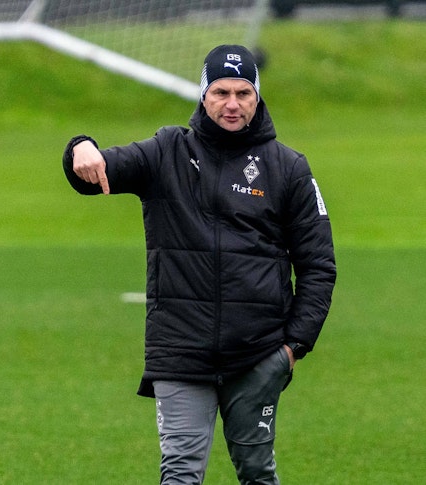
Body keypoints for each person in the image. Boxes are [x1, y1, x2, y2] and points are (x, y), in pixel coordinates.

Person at [62, 45, 336, 484]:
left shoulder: (288, 168)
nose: (232, 104)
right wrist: (80, 148)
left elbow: (319, 264)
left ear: (257, 96)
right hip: (180, 352)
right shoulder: (166, 151)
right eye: (221, 92)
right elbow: (96, 172)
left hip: (259, 354)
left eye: (243, 93)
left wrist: (293, 347)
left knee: (257, 473)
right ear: (203, 95)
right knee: (180, 474)